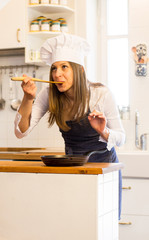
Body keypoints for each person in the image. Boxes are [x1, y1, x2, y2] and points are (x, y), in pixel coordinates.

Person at [14, 33, 125, 219]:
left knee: (105, 224)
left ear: (80, 70)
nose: (57, 74)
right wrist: (28, 98)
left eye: (64, 67)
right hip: (73, 169)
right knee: (77, 222)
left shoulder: (100, 94)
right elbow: (21, 132)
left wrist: (102, 131)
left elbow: (121, 138)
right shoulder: (48, 94)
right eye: (54, 68)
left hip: (103, 169)